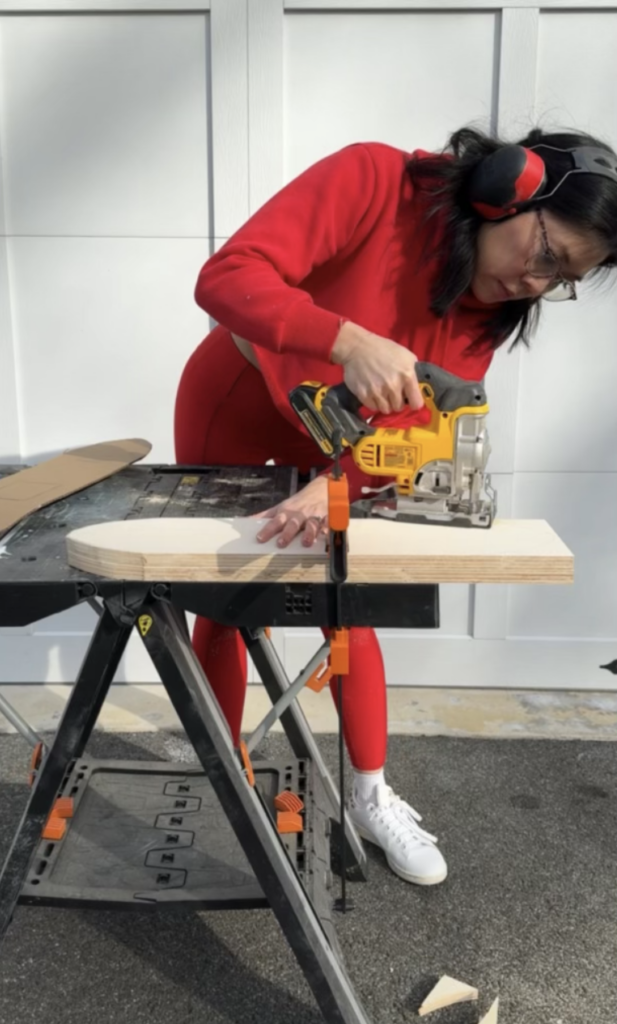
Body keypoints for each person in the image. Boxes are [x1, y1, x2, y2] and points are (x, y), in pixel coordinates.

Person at [174, 125, 617, 886]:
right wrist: (348, 340)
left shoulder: (486, 308)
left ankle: (370, 796)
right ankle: (226, 782)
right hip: (239, 400)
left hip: (341, 441)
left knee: (351, 601)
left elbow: (422, 426)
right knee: (225, 598)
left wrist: (338, 482)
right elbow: (227, 277)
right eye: (547, 255)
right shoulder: (373, 182)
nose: (539, 284)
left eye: (564, 279)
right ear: (511, 187)